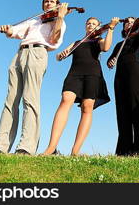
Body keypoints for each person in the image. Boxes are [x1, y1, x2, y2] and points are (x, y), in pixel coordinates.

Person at [0, 0, 68, 155]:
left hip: (38, 52)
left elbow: (54, 40)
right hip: (19, 54)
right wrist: (7, 29)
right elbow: (14, 31)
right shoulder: (35, 20)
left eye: (52, 1)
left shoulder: (58, 21)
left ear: (58, 5)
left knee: (30, 99)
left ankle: (26, 147)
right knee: (10, 100)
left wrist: (60, 17)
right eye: (46, 1)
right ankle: (0, 145)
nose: (48, 3)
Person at [42, 17, 119, 156]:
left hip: (92, 75)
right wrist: (61, 55)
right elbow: (59, 57)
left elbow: (106, 48)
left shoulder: (98, 41)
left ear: (98, 27)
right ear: (85, 26)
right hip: (74, 74)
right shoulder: (77, 42)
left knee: (87, 107)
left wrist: (111, 28)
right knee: (65, 100)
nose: (90, 25)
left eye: (94, 24)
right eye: (88, 23)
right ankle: (51, 147)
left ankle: (75, 151)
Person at [107, 8, 139, 156]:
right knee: (122, 111)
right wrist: (110, 62)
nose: (129, 24)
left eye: (132, 22)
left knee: (134, 108)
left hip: (134, 74)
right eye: (127, 22)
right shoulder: (119, 44)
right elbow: (111, 59)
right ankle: (124, 149)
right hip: (119, 77)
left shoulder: (137, 38)